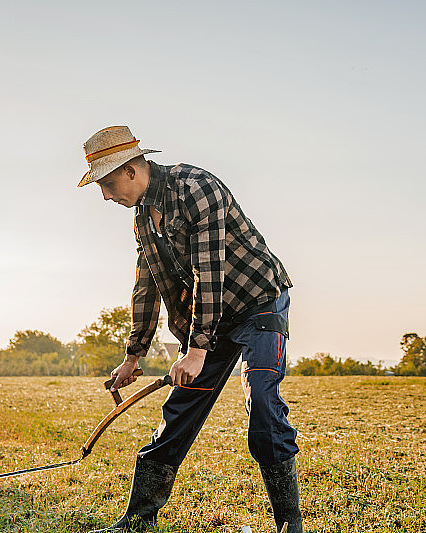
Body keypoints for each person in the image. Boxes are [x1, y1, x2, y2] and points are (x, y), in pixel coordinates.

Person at [78, 126, 303, 533]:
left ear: (131, 170)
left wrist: (197, 350)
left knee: (262, 402)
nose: (106, 196)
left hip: (257, 303)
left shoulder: (196, 189)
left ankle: (290, 525)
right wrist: (133, 355)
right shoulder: (142, 219)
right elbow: (146, 285)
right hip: (211, 318)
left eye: (107, 184)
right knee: (179, 410)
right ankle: (137, 521)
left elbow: (209, 273)